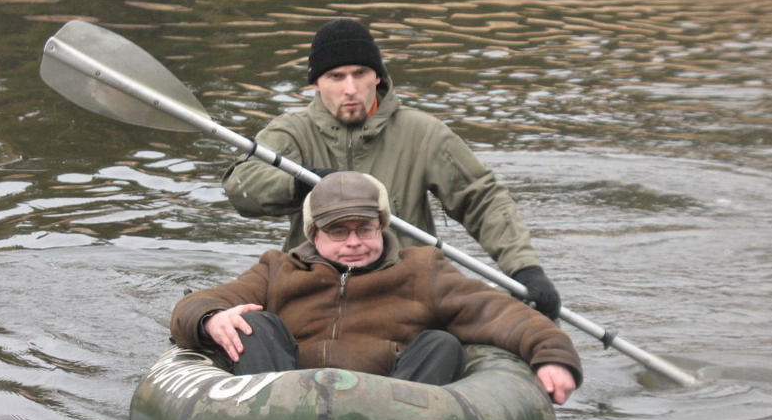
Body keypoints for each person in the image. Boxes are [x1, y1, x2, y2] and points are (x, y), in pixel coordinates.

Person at [222, 18, 563, 319]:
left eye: (360, 74)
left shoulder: (423, 133)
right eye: (336, 76)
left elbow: (482, 200)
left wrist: (524, 268)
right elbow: (242, 186)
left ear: (377, 76)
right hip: (313, 292)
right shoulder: (291, 132)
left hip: (406, 292)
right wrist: (301, 183)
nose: (350, 89)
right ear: (316, 83)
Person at [172, 171, 581, 403]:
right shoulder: (278, 269)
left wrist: (552, 355)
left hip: (390, 407)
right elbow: (202, 301)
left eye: (364, 229)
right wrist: (210, 319)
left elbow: (498, 312)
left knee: (442, 344)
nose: (353, 242)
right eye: (338, 231)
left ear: (381, 226)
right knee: (254, 323)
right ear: (314, 233)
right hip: (285, 400)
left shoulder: (422, 269)